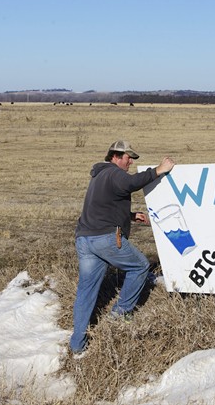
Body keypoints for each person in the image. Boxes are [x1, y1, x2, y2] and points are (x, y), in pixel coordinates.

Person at [70, 140, 175, 354]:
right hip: (105, 239)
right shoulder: (114, 173)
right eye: (128, 157)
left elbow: (103, 206)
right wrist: (159, 170)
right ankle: (119, 316)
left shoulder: (99, 176)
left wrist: (128, 216)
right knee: (139, 266)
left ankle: (77, 345)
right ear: (116, 156)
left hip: (85, 239)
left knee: (86, 290)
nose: (130, 162)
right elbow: (132, 183)